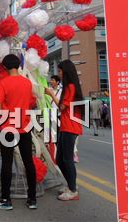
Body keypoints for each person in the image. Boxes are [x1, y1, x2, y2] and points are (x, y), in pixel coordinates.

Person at [0, 54, 37, 211]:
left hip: (8, 128)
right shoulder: (27, 83)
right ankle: (32, 199)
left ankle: (6, 199)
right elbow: (33, 102)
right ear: (18, 66)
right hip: (24, 127)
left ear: (4, 67)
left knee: (7, 162)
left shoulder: (3, 83)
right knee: (28, 162)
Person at [54, 60, 83, 201]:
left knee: (67, 160)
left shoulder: (70, 87)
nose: (59, 74)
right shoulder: (70, 87)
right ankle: (71, 185)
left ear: (65, 72)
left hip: (70, 127)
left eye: (60, 71)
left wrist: (50, 94)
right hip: (66, 126)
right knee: (59, 159)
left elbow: (62, 107)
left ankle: (72, 190)